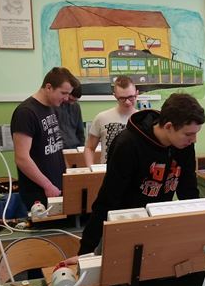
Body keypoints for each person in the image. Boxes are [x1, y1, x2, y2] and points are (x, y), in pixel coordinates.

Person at [77, 92, 205, 286]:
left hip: (160, 228)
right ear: (169, 126)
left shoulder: (184, 145)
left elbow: (189, 191)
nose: (193, 140)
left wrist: (201, 227)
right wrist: (86, 251)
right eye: (189, 134)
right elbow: (106, 200)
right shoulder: (128, 145)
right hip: (127, 232)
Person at [11, 67, 79, 211]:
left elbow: (57, 145)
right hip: (39, 191)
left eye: (68, 94)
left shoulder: (52, 107)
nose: (66, 98)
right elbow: (22, 158)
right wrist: (47, 185)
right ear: (48, 87)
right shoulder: (26, 113)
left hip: (57, 186)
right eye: (63, 93)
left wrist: (68, 175)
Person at [83, 76, 138, 166]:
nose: (127, 102)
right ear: (115, 96)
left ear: (137, 93)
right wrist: (91, 168)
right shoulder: (102, 118)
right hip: (108, 171)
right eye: (122, 98)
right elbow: (89, 148)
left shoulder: (144, 119)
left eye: (131, 97)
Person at [56, 83, 85, 150]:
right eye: (70, 99)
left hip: (75, 148)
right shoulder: (55, 106)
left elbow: (80, 131)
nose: (72, 103)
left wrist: (82, 148)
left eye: (75, 100)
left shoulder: (76, 106)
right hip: (60, 149)